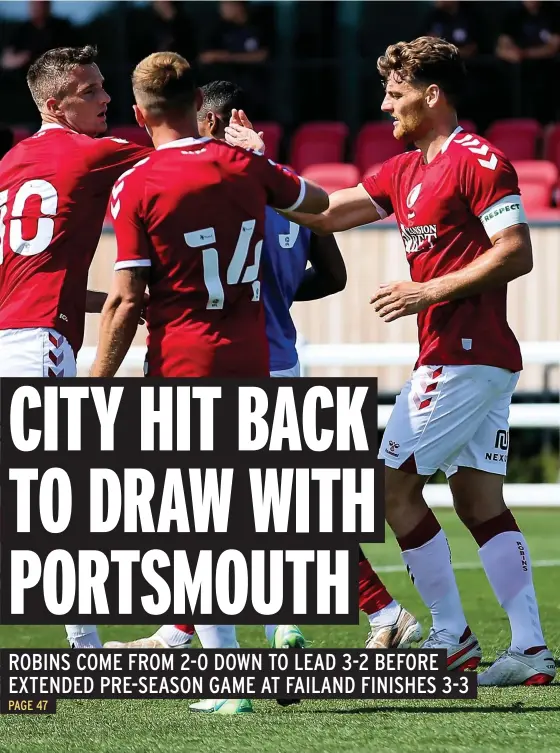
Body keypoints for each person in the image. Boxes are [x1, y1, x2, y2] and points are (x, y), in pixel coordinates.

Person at [231, 36, 555, 686]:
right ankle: (530, 651)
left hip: (465, 357)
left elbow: (518, 251)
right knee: (477, 498)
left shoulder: (480, 160)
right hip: (468, 360)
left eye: (396, 93)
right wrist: (264, 166)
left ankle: (452, 636)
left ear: (432, 95)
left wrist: (428, 289)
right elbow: (326, 213)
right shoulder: (404, 168)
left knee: (387, 486)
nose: (384, 105)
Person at [102, 80, 423, 673]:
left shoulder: (197, 186)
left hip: (217, 362)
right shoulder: (274, 185)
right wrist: (269, 295)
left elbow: (161, 285)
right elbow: (330, 272)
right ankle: (195, 630)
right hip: (277, 358)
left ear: (215, 122)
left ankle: (363, 616)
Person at [0, 44, 154, 652]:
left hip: (17, 333)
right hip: (38, 344)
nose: (106, 99)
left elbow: (36, 272)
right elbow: (176, 160)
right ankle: (86, 647)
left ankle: (85, 642)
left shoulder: (12, 161)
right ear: (52, 105)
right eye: (90, 91)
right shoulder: (92, 153)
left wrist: (107, 302)